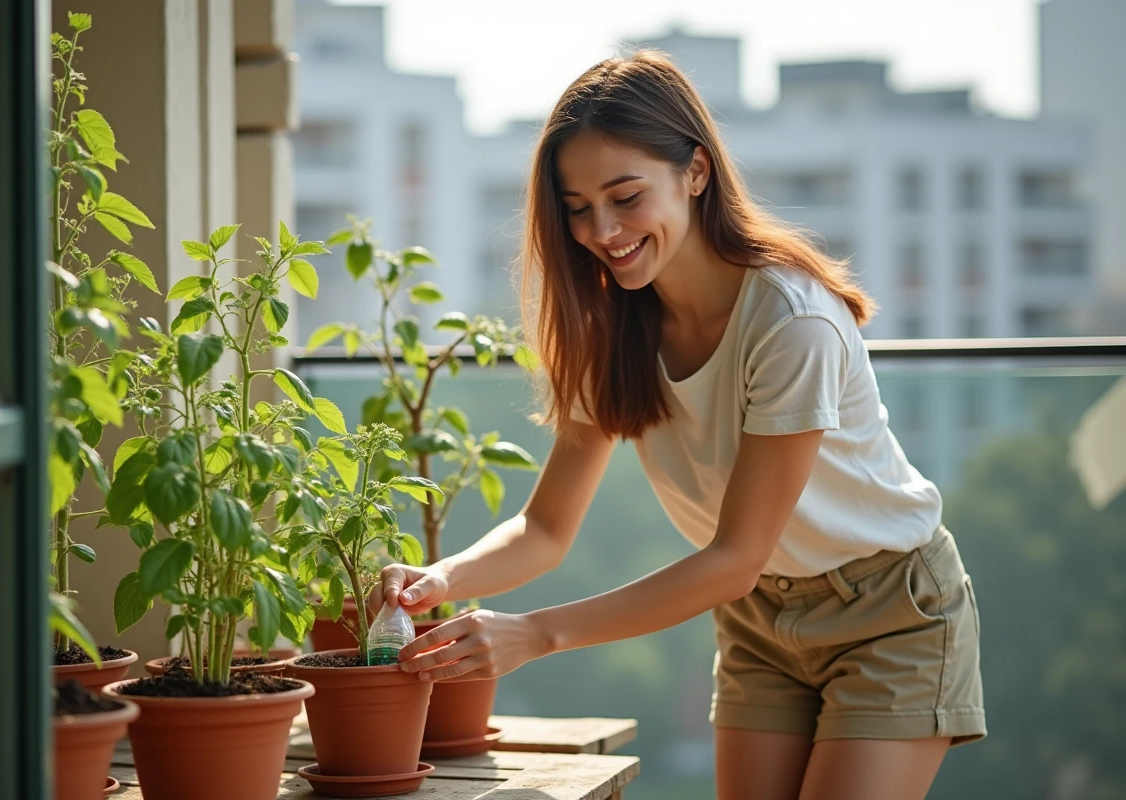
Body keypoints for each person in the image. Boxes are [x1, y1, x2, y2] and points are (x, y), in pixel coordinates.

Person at [373, 50, 985, 800]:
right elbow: (544, 530)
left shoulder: (791, 323)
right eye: (577, 208)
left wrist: (534, 635)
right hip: (760, 619)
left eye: (626, 197)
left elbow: (733, 556)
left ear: (695, 172)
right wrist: (438, 582)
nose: (602, 230)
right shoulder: (613, 326)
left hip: (891, 614)